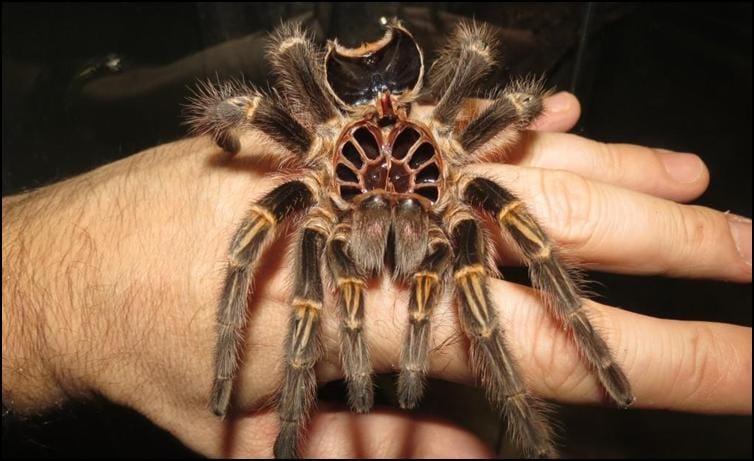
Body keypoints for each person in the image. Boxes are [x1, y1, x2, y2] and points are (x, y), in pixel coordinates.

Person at [2, 92, 751, 458]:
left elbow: (519, 106)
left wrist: (579, 332)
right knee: (282, 269)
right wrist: (225, 348)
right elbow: (232, 121)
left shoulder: (459, 187)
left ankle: (556, 402)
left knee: (490, 303)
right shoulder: (314, 191)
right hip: (348, 167)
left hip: (429, 180)